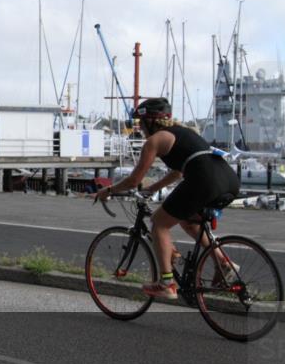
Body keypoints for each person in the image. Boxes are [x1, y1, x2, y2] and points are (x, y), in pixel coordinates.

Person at [96, 98, 240, 299]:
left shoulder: (154, 141)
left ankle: (166, 283)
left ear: (149, 121)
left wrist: (108, 191)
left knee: (159, 224)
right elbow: (178, 172)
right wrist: (153, 188)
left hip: (204, 181)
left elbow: (133, 180)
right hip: (229, 181)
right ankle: (224, 263)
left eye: (140, 122)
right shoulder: (184, 133)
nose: (140, 128)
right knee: (188, 222)